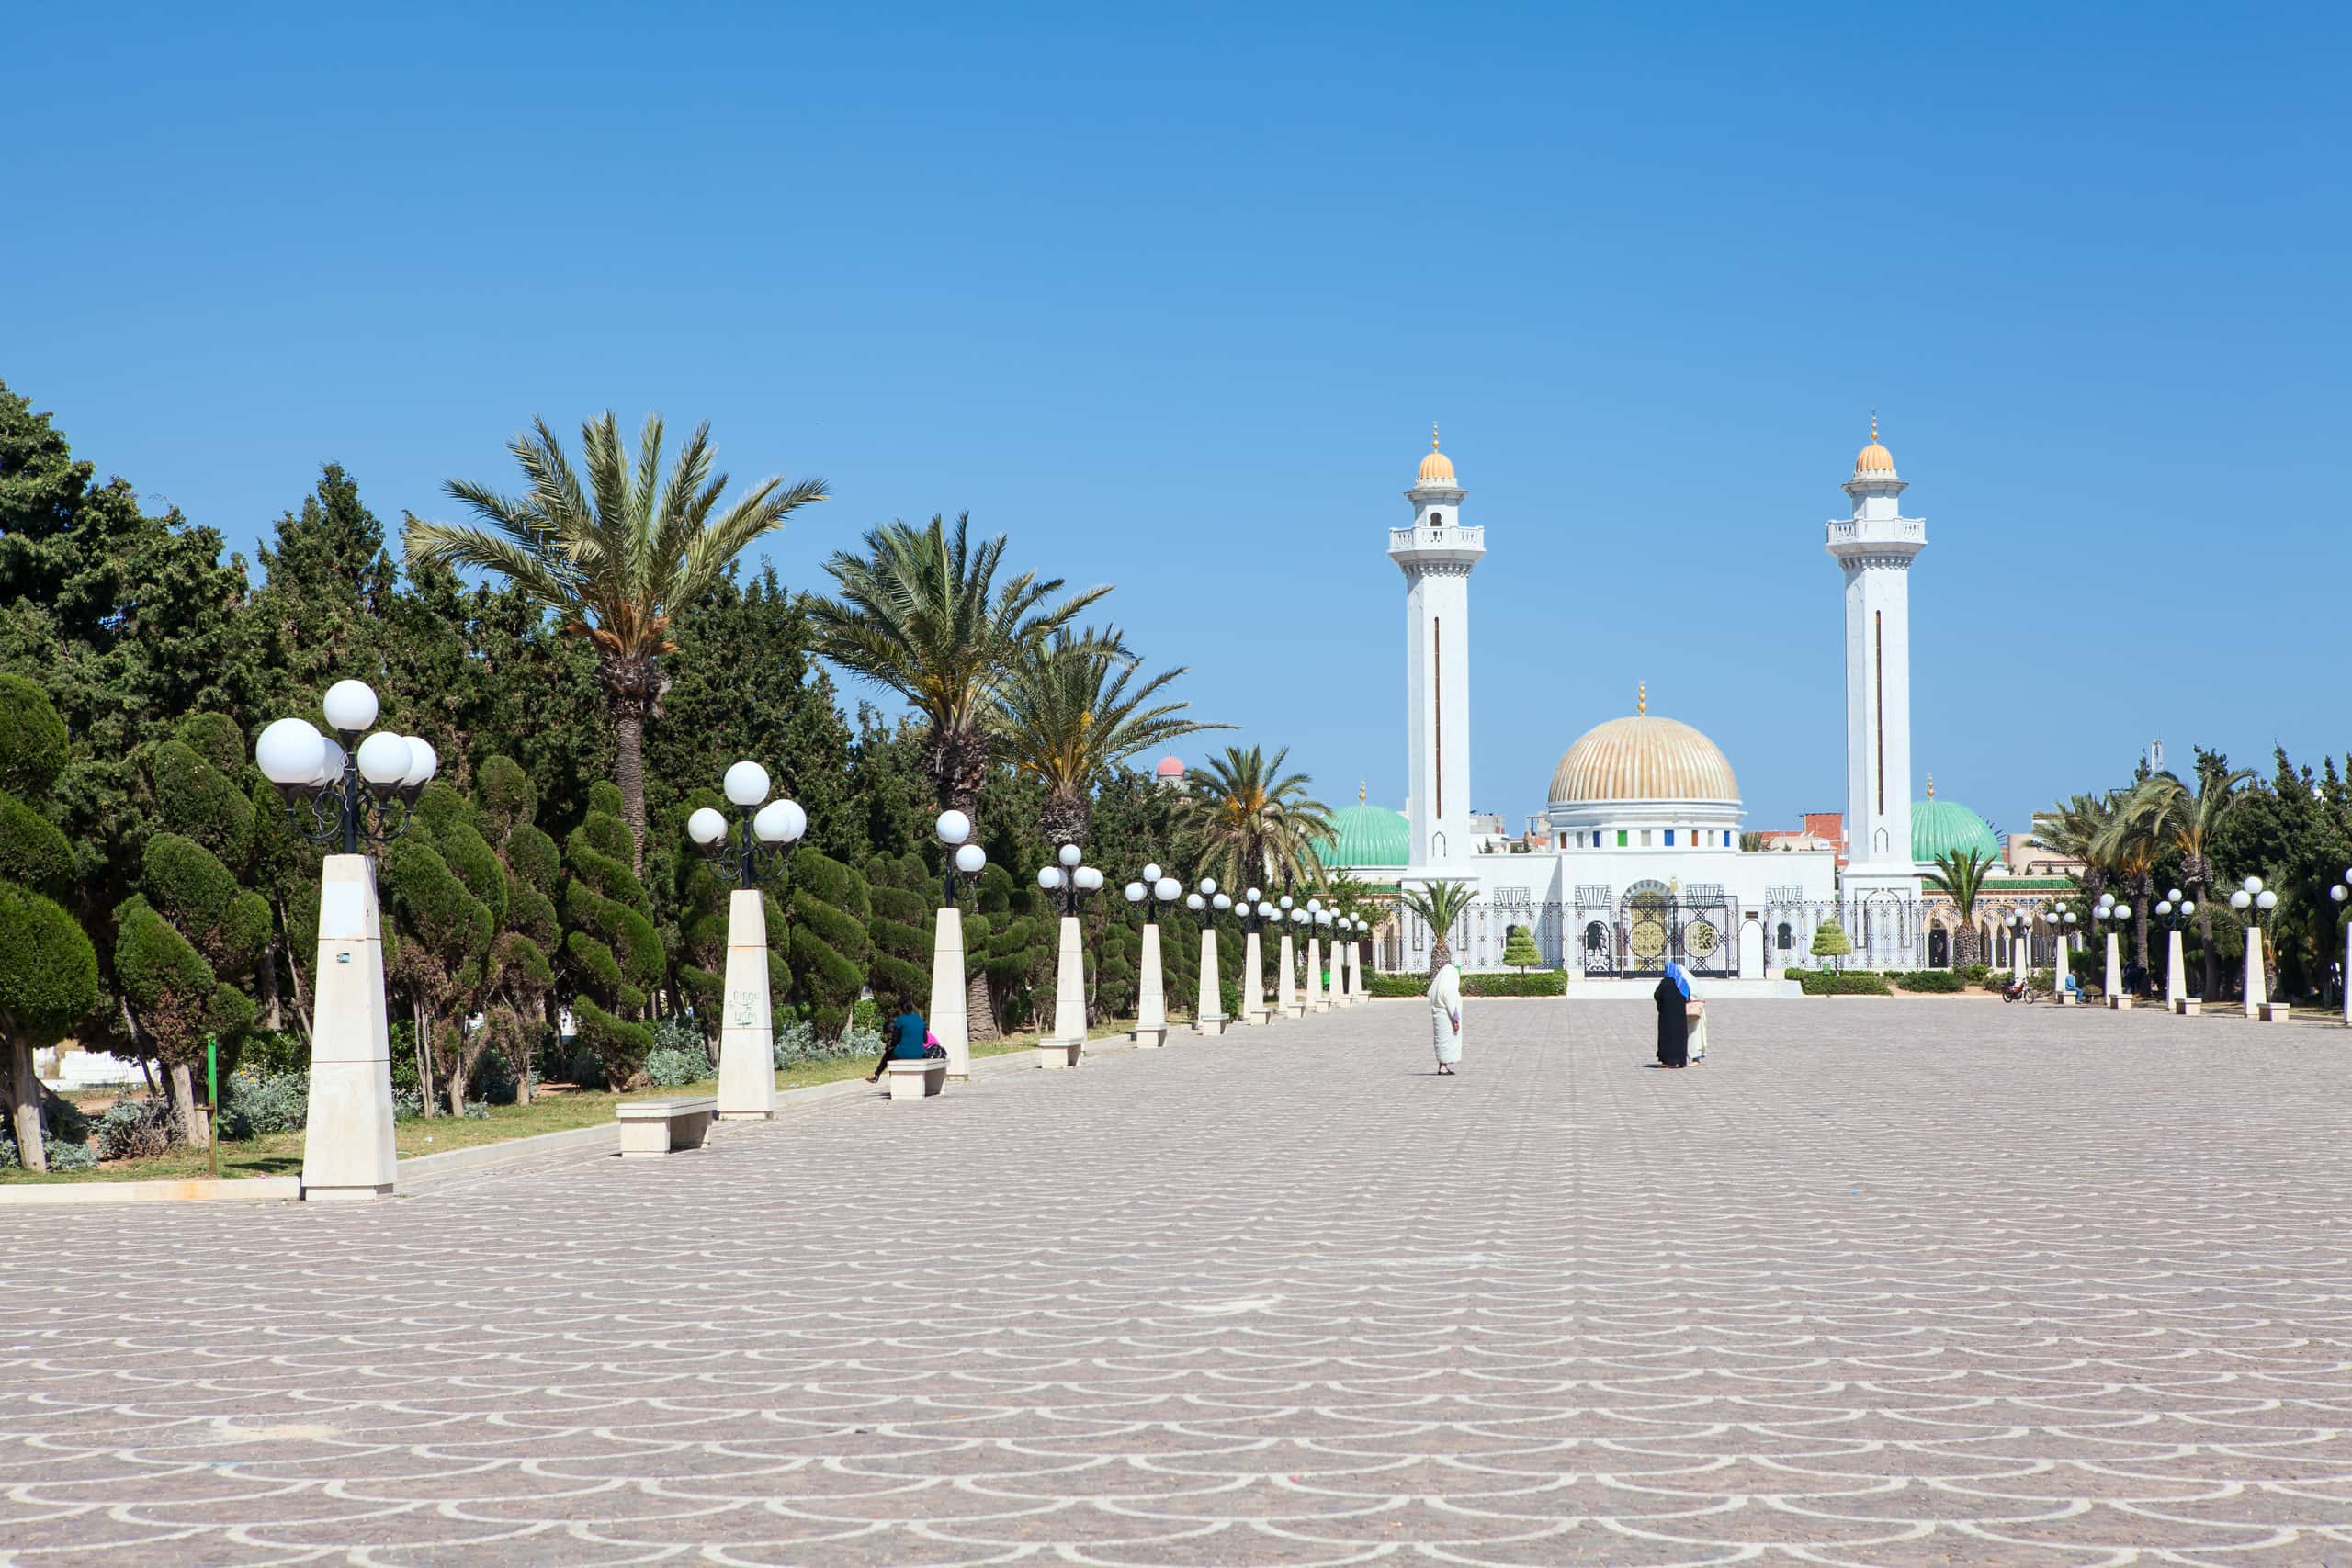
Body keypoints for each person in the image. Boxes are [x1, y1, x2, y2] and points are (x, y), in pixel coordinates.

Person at [867, 998, 944, 1082]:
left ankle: (877, 1075)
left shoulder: (900, 1020)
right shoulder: (920, 1020)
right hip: (920, 1053)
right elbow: (925, 1040)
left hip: (903, 1053)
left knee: (889, 1054)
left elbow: (894, 1042)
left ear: (900, 1008)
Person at [1427, 959, 1464, 1075]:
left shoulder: (1438, 988)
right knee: (1447, 1042)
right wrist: (1456, 1020)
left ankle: (1442, 1066)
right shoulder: (1448, 988)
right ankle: (1443, 1067)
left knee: (1441, 1041)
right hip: (1447, 1019)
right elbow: (1452, 1006)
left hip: (1438, 1017)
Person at [1655, 961, 1690, 1068]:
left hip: (1666, 1017)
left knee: (1667, 1037)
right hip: (1680, 1016)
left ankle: (1666, 1061)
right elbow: (1687, 995)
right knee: (1680, 1037)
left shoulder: (1664, 983)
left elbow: (1657, 995)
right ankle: (1681, 1061)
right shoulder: (1682, 983)